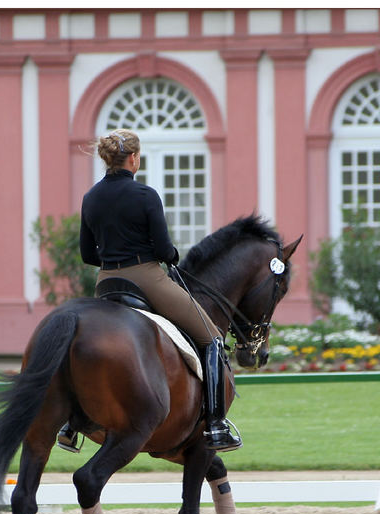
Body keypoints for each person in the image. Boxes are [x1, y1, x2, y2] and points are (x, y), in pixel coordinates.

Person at [56, 128, 241, 453]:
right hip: (146, 277)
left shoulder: (91, 198)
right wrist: (169, 255)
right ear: (133, 159)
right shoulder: (145, 195)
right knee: (212, 338)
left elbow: (87, 254)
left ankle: (71, 425)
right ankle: (215, 425)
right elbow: (163, 248)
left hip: (107, 281)